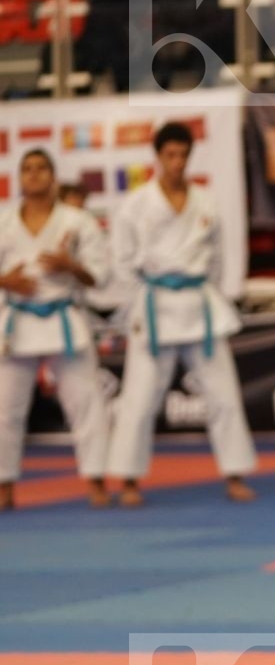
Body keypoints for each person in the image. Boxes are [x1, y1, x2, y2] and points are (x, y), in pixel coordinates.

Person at [105, 123, 257, 507]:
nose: (176, 162)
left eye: (182, 155)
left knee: (223, 395)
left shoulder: (205, 201)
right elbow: (122, 264)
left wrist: (215, 296)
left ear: (190, 156)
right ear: (157, 157)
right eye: (169, 155)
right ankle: (128, 479)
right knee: (139, 399)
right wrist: (138, 304)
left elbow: (219, 259)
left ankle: (234, 473)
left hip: (198, 305)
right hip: (155, 306)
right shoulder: (136, 204)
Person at [0, 150, 112, 511]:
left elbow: (100, 276)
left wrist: (71, 265)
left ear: (53, 176)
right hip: (18, 321)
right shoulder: (3, 221)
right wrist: (5, 281)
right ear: (20, 178)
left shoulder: (77, 221)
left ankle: (96, 480)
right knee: (5, 411)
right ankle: (4, 486)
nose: (33, 175)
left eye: (41, 169)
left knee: (87, 404)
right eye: (27, 169)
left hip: (65, 320)